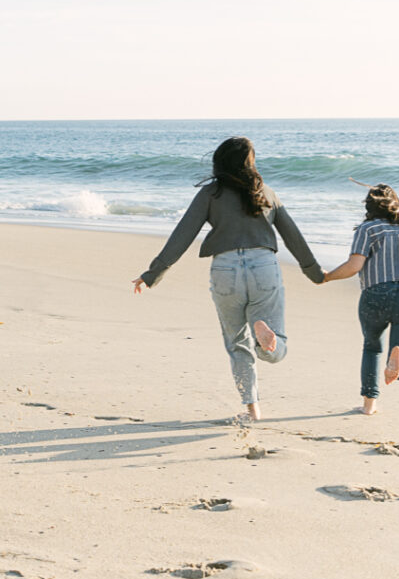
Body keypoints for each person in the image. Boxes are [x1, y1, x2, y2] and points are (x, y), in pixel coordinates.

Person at [132, 137, 324, 421]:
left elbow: (183, 234)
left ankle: (252, 409)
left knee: (237, 343)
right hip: (263, 266)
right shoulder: (268, 193)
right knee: (277, 344)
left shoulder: (211, 194)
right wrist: (315, 273)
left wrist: (153, 274)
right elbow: (293, 237)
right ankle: (267, 343)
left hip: (225, 268)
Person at [322, 184, 399, 415]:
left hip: (376, 293)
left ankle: (369, 405)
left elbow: (354, 266)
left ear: (369, 207)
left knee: (372, 347)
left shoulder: (368, 229)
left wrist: (327, 277)